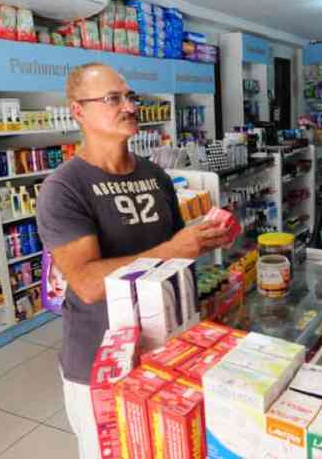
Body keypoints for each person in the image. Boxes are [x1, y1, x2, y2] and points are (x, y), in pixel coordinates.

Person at [36, 62, 231, 459]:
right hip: (100, 361)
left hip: (165, 348)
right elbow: (88, 284)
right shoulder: (64, 188)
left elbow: (172, 255)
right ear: (78, 111)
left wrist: (202, 242)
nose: (128, 106)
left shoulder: (155, 174)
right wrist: (175, 248)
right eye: (112, 98)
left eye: (130, 97)